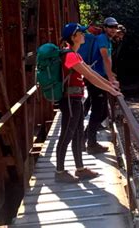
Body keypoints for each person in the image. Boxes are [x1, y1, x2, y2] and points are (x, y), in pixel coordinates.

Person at [55, 22, 121, 183]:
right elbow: (90, 77)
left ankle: (80, 169)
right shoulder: (70, 56)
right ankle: (59, 171)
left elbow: (92, 73)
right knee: (66, 134)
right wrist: (111, 89)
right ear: (73, 37)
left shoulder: (75, 54)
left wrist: (110, 85)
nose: (84, 35)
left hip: (76, 99)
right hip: (69, 100)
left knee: (77, 133)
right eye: (81, 33)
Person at [81, 17, 121, 154]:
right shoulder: (103, 39)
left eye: (115, 27)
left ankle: (85, 137)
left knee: (102, 111)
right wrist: (111, 80)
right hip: (95, 78)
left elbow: (106, 61)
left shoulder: (106, 39)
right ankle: (91, 144)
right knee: (99, 110)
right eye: (110, 27)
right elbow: (105, 59)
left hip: (98, 77)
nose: (113, 29)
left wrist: (110, 77)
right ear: (105, 28)